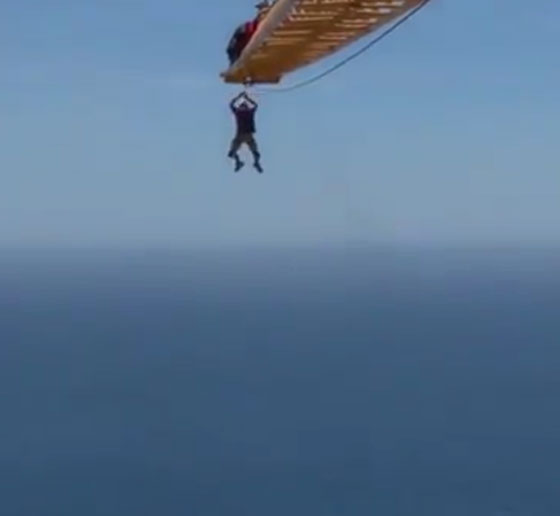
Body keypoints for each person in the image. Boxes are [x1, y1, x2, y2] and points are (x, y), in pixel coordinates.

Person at [228, 92, 263, 173]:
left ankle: (256, 163)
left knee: (256, 153)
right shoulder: (239, 112)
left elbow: (255, 105)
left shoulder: (248, 112)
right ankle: (238, 162)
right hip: (240, 136)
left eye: (244, 107)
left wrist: (247, 98)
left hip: (247, 136)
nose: (243, 108)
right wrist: (240, 97)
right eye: (242, 107)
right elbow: (231, 104)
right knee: (231, 153)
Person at [226, 1, 270, 66]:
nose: (263, 15)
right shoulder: (246, 28)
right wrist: (234, 62)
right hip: (241, 61)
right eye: (261, 12)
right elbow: (231, 48)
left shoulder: (272, 32)